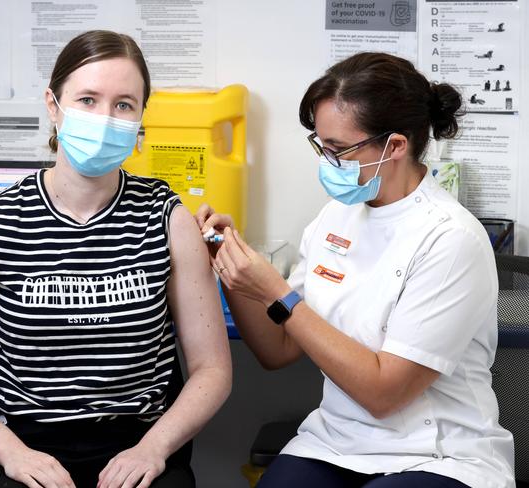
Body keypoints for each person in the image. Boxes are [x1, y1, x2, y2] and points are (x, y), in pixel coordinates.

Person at [0, 30, 232, 488]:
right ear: (53, 104)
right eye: (87, 100)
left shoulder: (168, 219)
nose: (105, 119)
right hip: (21, 439)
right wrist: (14, 455)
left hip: (135, 440)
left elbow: (213, 369)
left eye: (124, 104)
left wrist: (153, 448)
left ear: (141, 115)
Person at [196, 52, 514, 488]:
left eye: (338, 150)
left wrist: (278, 294)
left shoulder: (450, 239)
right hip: (336, 443)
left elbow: (384, 394)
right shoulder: (335, 217)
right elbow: (278, 349)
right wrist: (231, 269)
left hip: (437, 455)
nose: (326, 163)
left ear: (396, 146)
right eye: (320, 146)